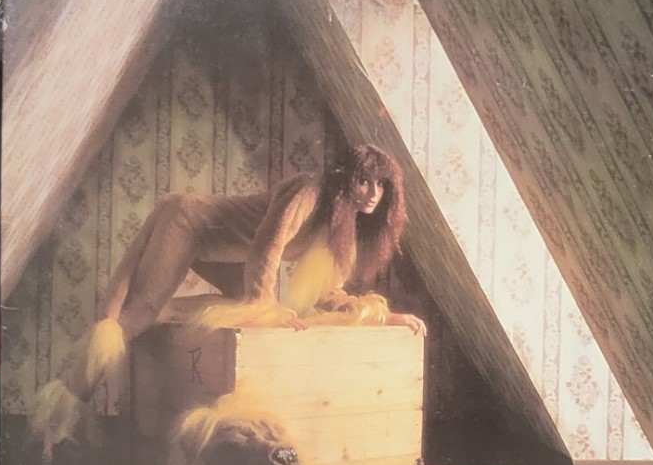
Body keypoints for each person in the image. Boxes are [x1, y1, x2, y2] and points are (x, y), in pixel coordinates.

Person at [78, 143, 427, 402]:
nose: (373, 193)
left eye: (381, 185)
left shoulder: (342, 229)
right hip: (189, 223)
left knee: (234, 306)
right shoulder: (309, 190)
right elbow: (267, 246)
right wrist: (266, 308)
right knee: (132, 314)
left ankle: (166, 310)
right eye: (364, 181)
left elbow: (328, 294)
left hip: (229, 253)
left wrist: (383, 317)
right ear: (345, 180)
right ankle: (68, 405)